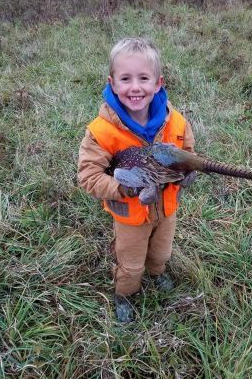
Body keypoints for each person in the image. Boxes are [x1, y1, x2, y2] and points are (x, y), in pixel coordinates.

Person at [78, 37, 196, 323]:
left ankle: (157, 274)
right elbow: (88, 176)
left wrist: (187, 172)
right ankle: (124, 294)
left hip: (167, 210)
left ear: (158, 83)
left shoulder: (176, 122)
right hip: (130, 216)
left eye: (143, 78)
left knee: (161, 251)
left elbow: (188, 154)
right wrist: (126, 188)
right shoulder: (102, 131)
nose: (135, 87)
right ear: (113, 83)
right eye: (125, 78)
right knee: (130, 263)